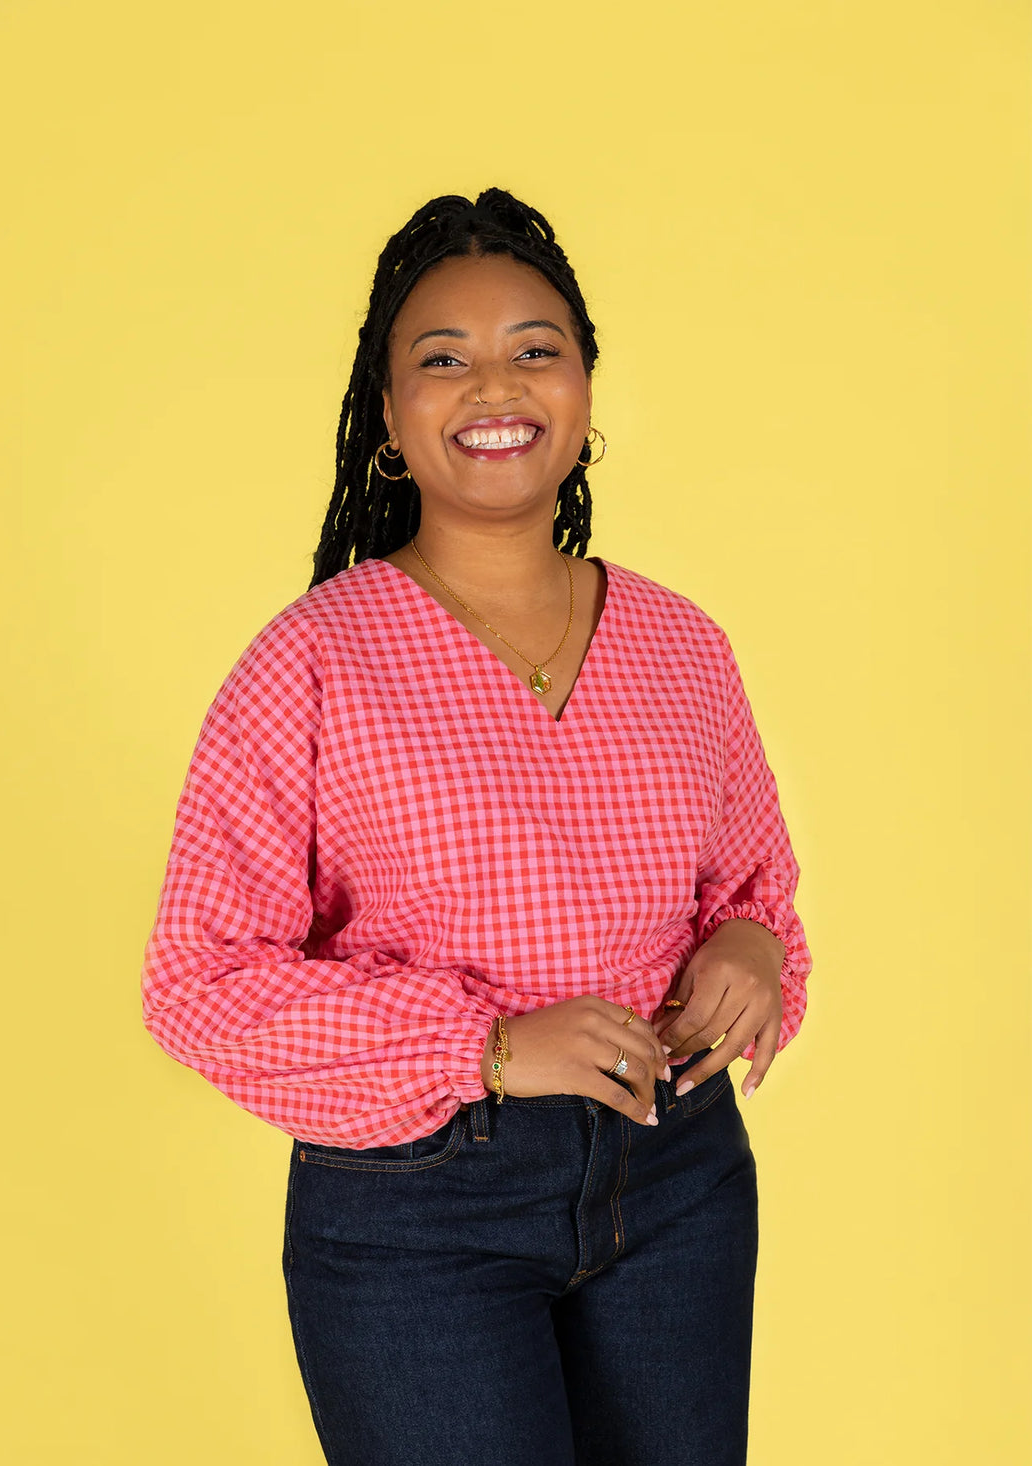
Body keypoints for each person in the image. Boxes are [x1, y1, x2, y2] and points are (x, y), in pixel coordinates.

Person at [140, 187, 813, 1466]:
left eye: (532, 348)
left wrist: (752, 947)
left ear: (583, 388)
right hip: (418, 1207)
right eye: (441, 359)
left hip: (676, 1177)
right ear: (390, 419)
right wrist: (489, 1044)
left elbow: (749, 885)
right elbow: (198, 984)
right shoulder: (311, 660)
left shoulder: (681, 644)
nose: (493, 385)